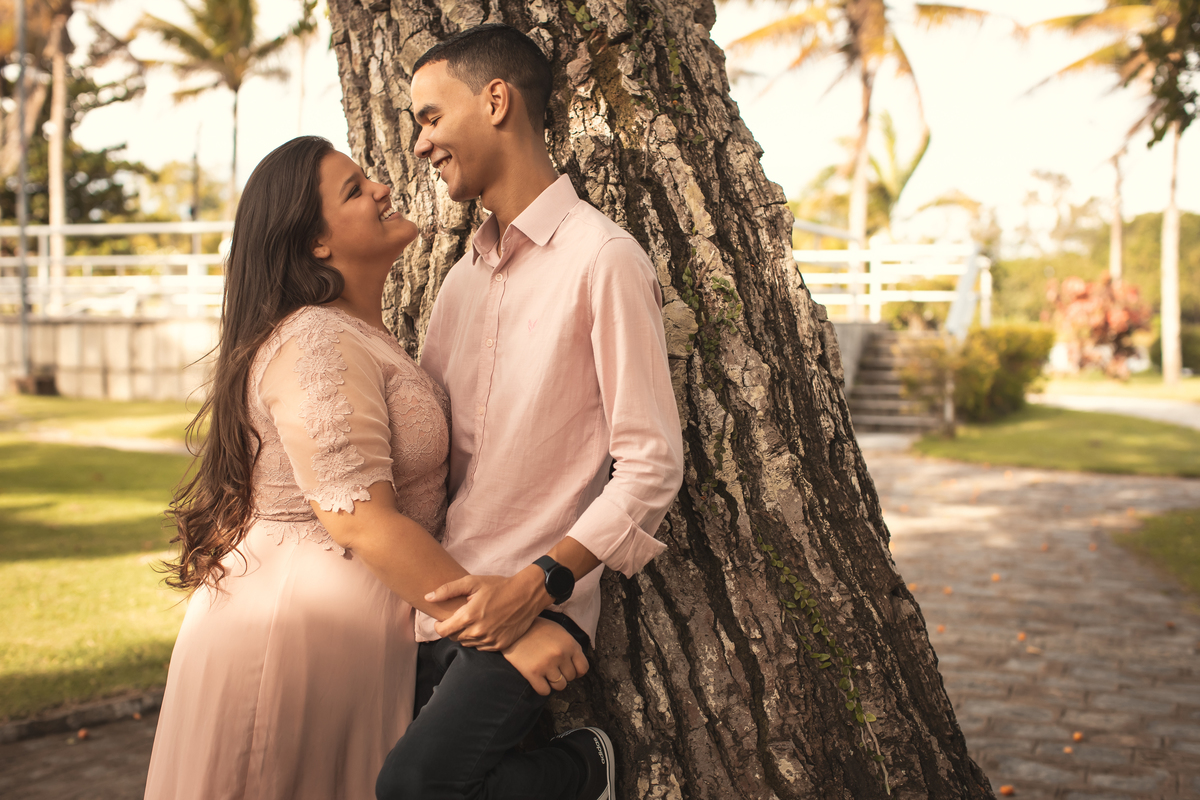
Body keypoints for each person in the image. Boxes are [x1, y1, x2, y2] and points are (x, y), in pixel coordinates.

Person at [143, 135, 586, 800]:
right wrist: (506, 632)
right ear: (315, 242)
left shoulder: (353, 334)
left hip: (344, 634)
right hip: (290, 637)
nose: (382, 188)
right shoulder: (316, 340)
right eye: (355, 189)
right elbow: (361, 522)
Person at [374, 24, 684, 800]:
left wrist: (539, 585)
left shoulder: (603, 260)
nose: (421, 144)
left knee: (413, 787)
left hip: (533, 605)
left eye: (430, 117)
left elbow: (651, 464)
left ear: (497, 100)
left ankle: (589, 769)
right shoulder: (457, 285)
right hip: (442, 603)